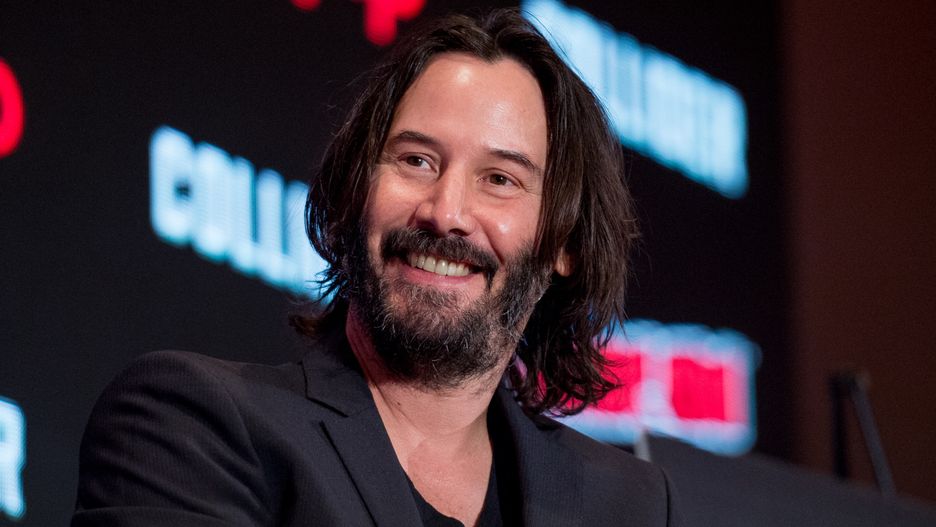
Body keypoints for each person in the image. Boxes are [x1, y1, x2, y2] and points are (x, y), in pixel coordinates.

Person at [73, 9, 681, 527]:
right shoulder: (192, 426)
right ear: (355, 190)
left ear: (565, 244)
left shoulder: (629, 504)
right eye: (416, 160)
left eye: (499, 179)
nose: (445, 212)